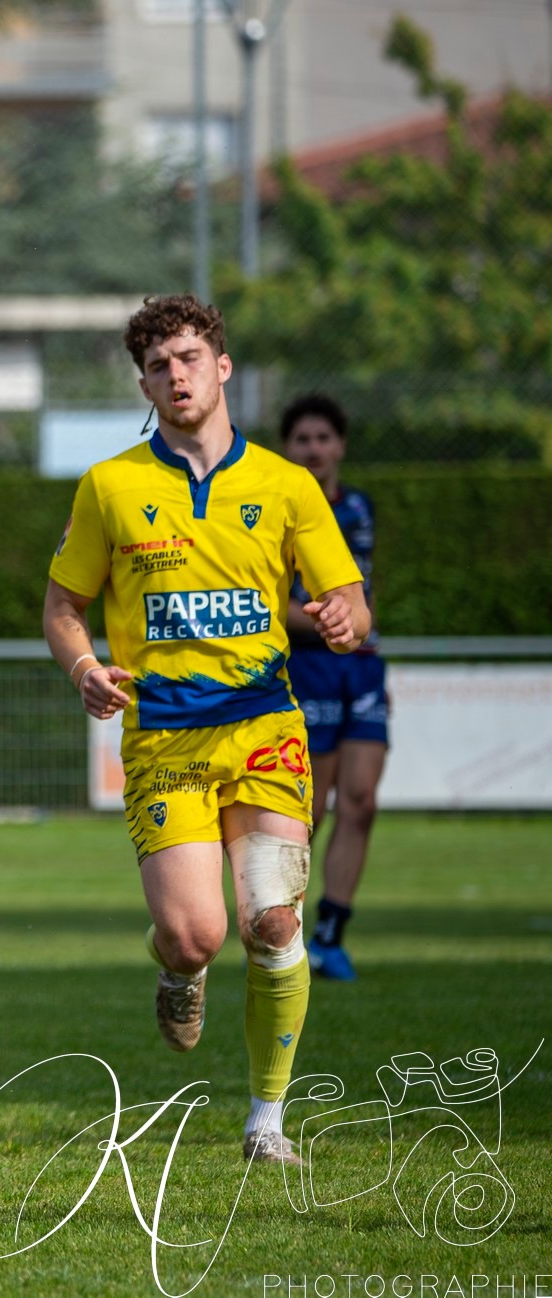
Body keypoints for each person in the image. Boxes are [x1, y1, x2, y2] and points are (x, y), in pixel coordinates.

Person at [42, 296, 368, 1165]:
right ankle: (177, 968)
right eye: (159, 366)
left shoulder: (286, 484)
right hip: (165, 740)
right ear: (145, 385)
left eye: (189, 358)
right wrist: (84, 667)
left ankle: (267, 1122)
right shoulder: (110, 486)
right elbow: (63, 606)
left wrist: (345, 618)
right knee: (198, 934)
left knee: (273, 922)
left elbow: (350, 598)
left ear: (222, 367)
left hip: (265, 728)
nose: (176, 375)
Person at [279, 394, 385, 982]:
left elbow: (362, 589)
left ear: (340, 445)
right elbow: (271, 600)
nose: (314, 448)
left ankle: (331, 934)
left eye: (323, 438)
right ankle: (280, 931)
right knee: (309, 809)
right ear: (287, 448)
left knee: (362, 801)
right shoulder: (278, 506)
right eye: (302, 439)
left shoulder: (359, 507)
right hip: (309, 666)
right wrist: (325, 622)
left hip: (362, 666)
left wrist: (358, 623)